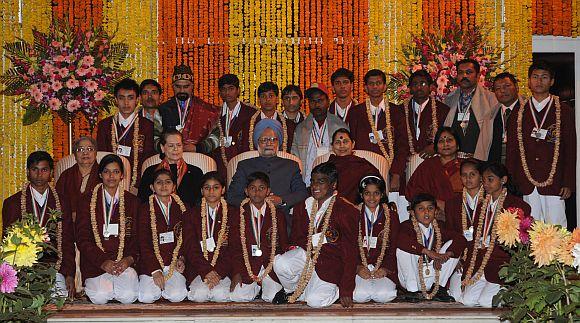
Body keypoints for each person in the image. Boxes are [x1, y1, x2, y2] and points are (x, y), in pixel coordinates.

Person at [272, 162, 358, 308]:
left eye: (321, 181)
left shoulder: (346, 210)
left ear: (333, 185)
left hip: (330, 264)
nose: (315, 186)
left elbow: (350, 251)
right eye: (312, 181)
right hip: (306, 256)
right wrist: (312, 245)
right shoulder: (302, 206)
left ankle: (329, 290)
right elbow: (296, 238)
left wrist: (346, 288)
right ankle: (291, 290)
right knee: (280, 263)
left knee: (314, 302)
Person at [506, 61, 576, 227]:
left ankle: (558, 255)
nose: (539, 81)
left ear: (551, 81)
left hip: (555, 182)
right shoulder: (518, 111)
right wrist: (511, 182)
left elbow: (570, 149)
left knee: (556, 226)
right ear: (529, 81)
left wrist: (568, 182)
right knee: (529, 227)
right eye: (535, 77)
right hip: (526, 182)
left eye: (544, 77)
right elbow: (512, 151)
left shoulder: (564, 110)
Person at [453, 162, 531, 307]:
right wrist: (467, 275)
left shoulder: (517, 206)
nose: (486, 184)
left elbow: (518, 243)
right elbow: (473, 242)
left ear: (503, 180)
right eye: (483, 180)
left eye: (490, 179)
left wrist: (492, 242)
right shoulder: (481, 205)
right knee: (467, 301)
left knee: (486, 302)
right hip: (480, 264)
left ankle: (510, 289)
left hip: (501, 264)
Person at [2, 151, 75, 298]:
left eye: (44, 169)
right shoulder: (13, 203)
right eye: (35, 169)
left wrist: (69, 274)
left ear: (51, 173)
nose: (39, 174)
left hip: (55, 267)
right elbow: (7, 243)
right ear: (28, 172)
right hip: (24, 270)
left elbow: (67, 240)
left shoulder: (63, 201)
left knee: (60, 297)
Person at [75, 154, 139, 304]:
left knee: (128, 296)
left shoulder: (133, 202)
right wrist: (103, 262)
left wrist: (128, 260)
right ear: (100, 174)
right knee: (100, 296)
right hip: (95, 264)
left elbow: (138, 237)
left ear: (122, 175)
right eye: (107, 172)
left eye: (116, 172)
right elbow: (82, 238)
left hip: (124, 263)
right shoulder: (86, 201)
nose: (111, 176)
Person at [346, 69, 408, 215]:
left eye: (378, 83)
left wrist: (397, 174)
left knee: (392, 213)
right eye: (371, 84)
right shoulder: (356, 112)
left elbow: (402, 144)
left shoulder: (396, 111)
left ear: (384, 86)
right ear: (365, 88)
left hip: (391, 170)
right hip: (363, 170)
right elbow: (353, 144)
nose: (375, 87)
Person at [227, 119, 308, 216]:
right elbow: (232, 196)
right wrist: (254, 202)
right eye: (264, 140)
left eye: (273, 140)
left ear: (278, 142)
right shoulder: (245, 165)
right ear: (257, 143)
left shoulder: (291, 166)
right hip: (250, 218)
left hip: (281, 217)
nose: (269, 143)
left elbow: (302, 193)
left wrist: (282, 200)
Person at [229, 172, 288, 302]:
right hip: (247, 265)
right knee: (237, 296)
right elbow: (234, 247)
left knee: (272, 297)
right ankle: (257, 289)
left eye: (261, 188)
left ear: (268, 191)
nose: (257, 192)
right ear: (246, 191)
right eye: (252, 188)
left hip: (269, 266)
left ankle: (266, 288)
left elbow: (283, 245)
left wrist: (281, 274)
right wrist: (237, 272)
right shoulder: (237, 215)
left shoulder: (278, 215)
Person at [396, 193, 466, 302]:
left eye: (430, 208)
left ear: (436, 211)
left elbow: (460, 239)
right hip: (413, 279)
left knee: (453, 243)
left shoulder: (440, 226)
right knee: (402, 248)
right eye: (421, 209)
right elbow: (400, 240)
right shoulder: (406, 226)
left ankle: (439, 288)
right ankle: (412, 292)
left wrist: (447, 255)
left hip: (434, 275)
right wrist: (427, 252)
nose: (426, 212)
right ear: (413, 213)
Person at [138, 169, 188, 303]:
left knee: (178, 295)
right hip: (151, 264)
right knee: (146, 297)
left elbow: (188, 238)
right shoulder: (144, 209)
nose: (164, 186)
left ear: (174, 186)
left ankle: (164, 291)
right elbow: (143, 242)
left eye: (168, 182)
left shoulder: (183, 207)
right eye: (159, 182)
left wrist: (182, 258)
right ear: (151, 187)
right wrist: (155, 270)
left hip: (173, 263)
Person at [96, 78, 155, 191]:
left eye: (130, 98)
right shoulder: (105, 125)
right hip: (109, 182)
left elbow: (148, 159)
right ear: (115, 100)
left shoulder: (147, 126)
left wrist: (137, 186)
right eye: (121, 98)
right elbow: (101, 157)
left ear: (137, 100)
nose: (126, 103)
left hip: (137, 185)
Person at [184, 171, 235, 302]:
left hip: (224, 270)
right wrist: (206, 271)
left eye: (216, 187)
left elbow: (235, 248)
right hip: (199, 269)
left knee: (220, 295)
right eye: (207, 187)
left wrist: (218, 272)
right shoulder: (191, 214)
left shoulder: (233, 213)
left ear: (223, 190)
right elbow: (190, 248)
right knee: (199, 296)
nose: (211, 191)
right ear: (202, 191)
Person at [353, 176, 399, 303]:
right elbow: (348, 247)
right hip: (360, 267)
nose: (372, 198)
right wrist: (358, 268)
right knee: (359, 296)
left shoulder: (391, 216)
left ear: (382, 194)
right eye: (367, 193)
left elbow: (394, 247)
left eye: (376, 193)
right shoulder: (353, 214)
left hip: (382, 267)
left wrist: (385, 269)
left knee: (385, 295)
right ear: (361, 194)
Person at [291, 83, 348, 185]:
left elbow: (346, 159)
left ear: (328, 102)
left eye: (320, 100)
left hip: (333, 182)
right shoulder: (300, 129)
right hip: (307, 182)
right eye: (313, 101)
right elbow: (295, 159)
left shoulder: (339, 126)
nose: (316, 105)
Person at [443, 59, 499, 160]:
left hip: (480, 160)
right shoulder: (448, 99)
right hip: (453, 160)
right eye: (460, 73)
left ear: (478, 76)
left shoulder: (491, 99)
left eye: (469, 72)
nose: (464, 76)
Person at [158, 64, 220, 153]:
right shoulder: (162, 109)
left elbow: (217, 135)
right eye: (178, 86)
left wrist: (198, 148)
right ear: (172, 86)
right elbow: (155, 137)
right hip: (169, 158)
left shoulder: (208, 110)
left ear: (192, 86)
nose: (182, 90)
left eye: (186, 86)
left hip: (199, 159)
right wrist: (168, 148)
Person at [406, 127, 463, 216]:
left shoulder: (465, 166)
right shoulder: (428, 165)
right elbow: (413, 192)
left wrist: (450, 208)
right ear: (436, 147)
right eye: (441, 141)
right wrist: (435, 204)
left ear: (458, 145)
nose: (446, 144)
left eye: (450, 140)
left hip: (460, 213)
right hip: (432, 213)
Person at [139, 130, 203, 208]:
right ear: (162, 148)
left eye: (179, 145)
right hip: (156, 217)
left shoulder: (196, 172)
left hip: (188, 217)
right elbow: (142, 202)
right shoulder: (151, 172)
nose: (175, 149)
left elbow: (200, 204)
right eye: (171, 146)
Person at [212, 74, 256, 177]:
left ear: (238, 90)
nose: (227, 93)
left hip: (245, 163)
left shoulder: (251, 113)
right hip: (220, 165)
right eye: (223, 89)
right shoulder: (214, 114)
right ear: (220, 92)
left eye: (231, 88)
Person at [327, 128, 380, 203]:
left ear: (353, 144)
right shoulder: (326, 167)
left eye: (345, 142)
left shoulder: (362, 165)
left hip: (358, 208)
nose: (342, 146)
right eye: (337, 142)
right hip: (331, 207)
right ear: (332, 146)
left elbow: (375, 186)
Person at [56, 136, 100, 223]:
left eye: (90, 149)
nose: (85, 153)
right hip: (70, 224)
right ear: (75, 155)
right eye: (80, 150)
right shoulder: (66, 176)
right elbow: (57, 201)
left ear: (95, 153)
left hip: (96, 223)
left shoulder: (103, 175)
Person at [244, 82, 296, 153]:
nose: (267, 99)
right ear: (258, 100)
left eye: (271, 96)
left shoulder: (289, 125)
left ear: (277, 99)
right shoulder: (248, 125)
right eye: (263, 96)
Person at [444, 158, 484, 239]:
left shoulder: (490, 200)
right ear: (460, 178)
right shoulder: (452, 203)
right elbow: (450, 232)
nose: (468, 178)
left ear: (480, 177)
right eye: (464, 175)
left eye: (472, 174)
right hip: (461, 247)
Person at [488, 73, 522, 164]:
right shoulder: (490, 115)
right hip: (497, 166)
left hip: (521, 165)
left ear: (517, 87)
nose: (502, 91)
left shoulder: (528, 110)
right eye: (498, 88)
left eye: (507, 86)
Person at [139, 79, 164, 151]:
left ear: (160, 98)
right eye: (145, 93)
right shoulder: (134, 118)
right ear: (140, 98)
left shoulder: (169, 115)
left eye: (154, 93)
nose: (150, 96)